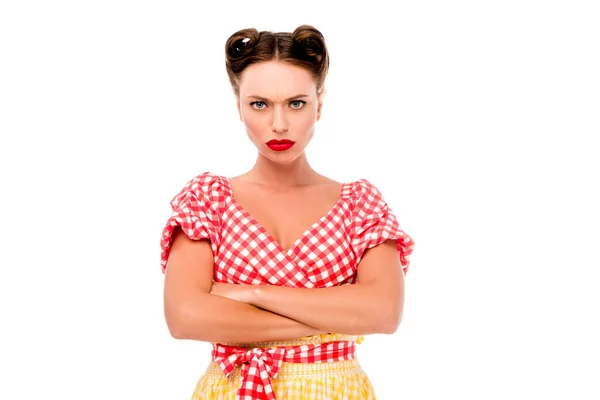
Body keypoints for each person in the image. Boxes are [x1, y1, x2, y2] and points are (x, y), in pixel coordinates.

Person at [159, 24, 415, 400]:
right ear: (239, 107)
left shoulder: (360, 204)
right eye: (259, 104)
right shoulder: (208, 200)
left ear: (319, 105)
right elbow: (184, 317)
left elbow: (384, 313)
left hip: (336, 390)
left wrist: (251, 293)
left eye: (296, 103)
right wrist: (332, 317)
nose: (278, 124)